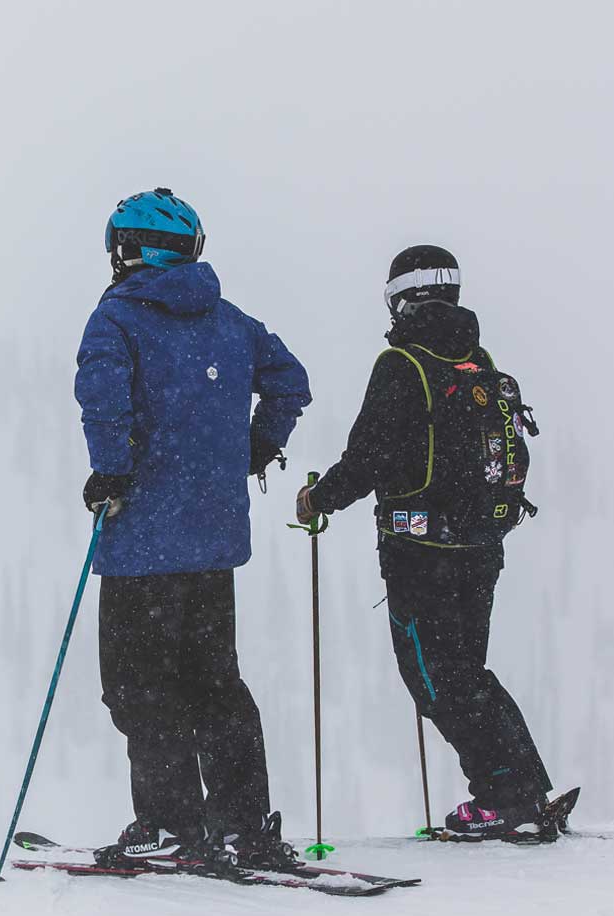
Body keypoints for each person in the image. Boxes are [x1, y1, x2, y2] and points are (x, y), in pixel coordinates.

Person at [75, 188, 312, 870]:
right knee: (215, 684)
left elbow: (103, 395)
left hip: (141, 538)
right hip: (212, 542)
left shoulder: (116, 318)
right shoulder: (231, 320)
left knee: (138, 687)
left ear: (133, 250)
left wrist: (111, 472)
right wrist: (253, 450)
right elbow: (289, 383)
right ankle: (244, 824)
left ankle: (174, 825)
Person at [296, 245, 557, 840]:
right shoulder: (477, 359)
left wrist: (319, 499)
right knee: (467, 672)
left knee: (436, 680)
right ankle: (524, 790)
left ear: (398, 297)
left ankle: (503, 798)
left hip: (420, 550)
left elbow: (368, 456)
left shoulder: (402, 364)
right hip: (483, 543)